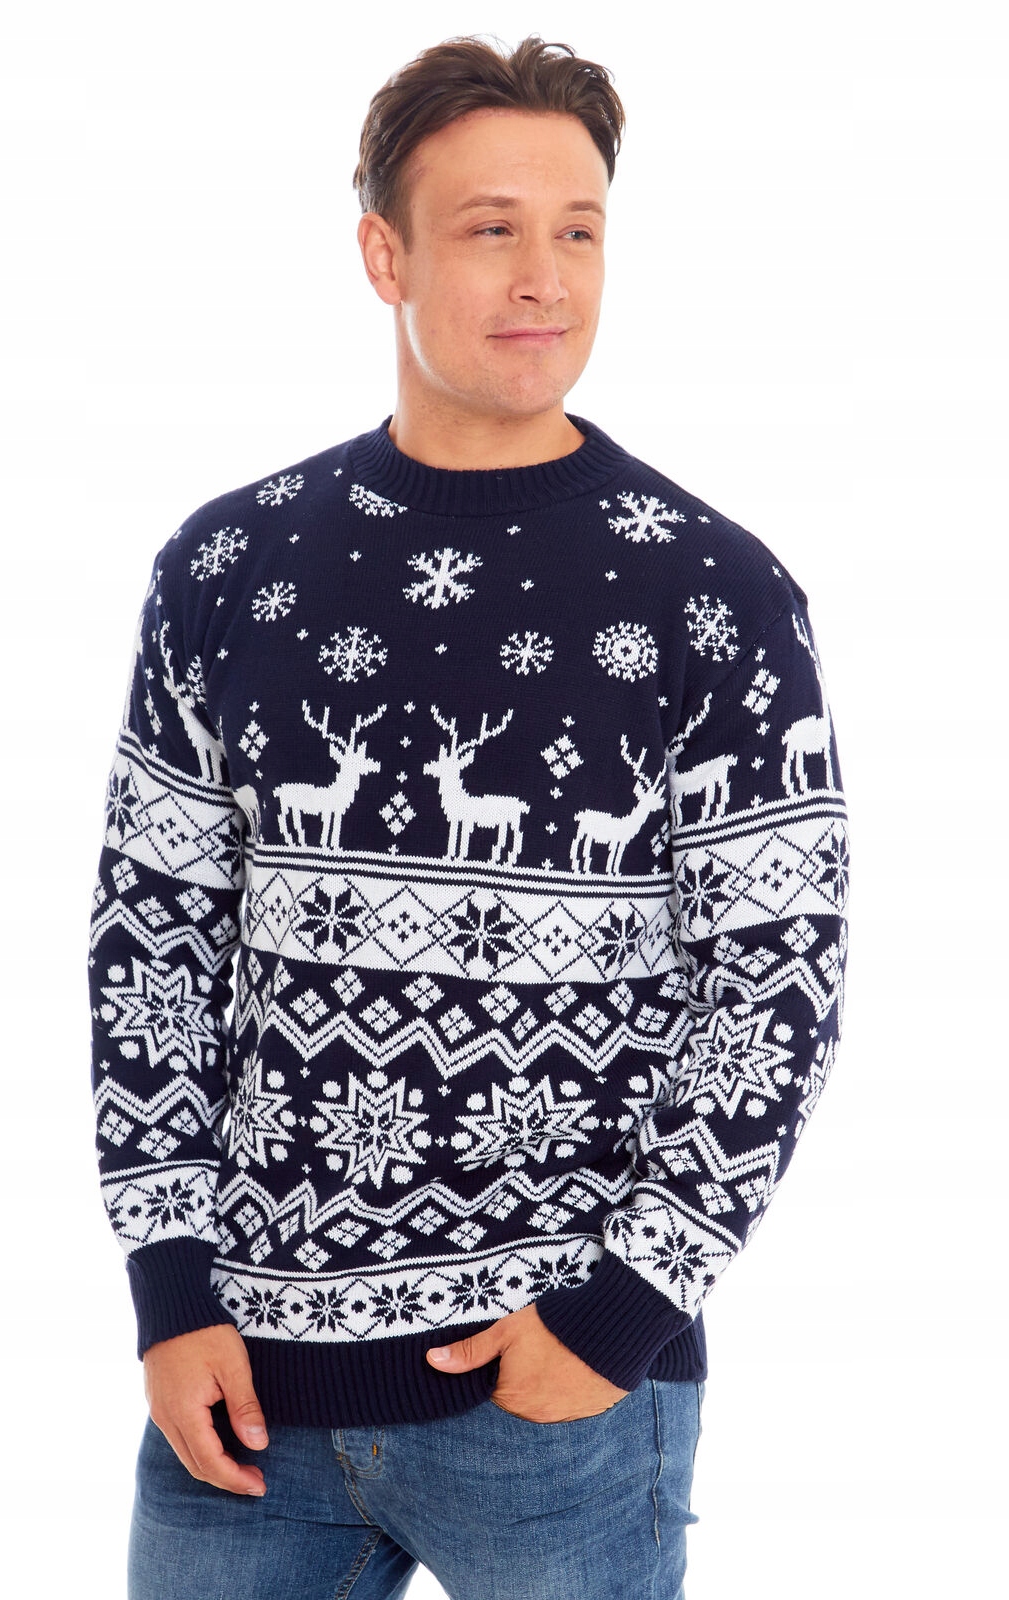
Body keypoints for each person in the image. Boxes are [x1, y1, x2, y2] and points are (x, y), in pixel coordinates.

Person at [89, 33, 849, 1600]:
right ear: (386, 255)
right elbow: (152, 949)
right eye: (492, 228)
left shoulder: (710, 590)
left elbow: (779, 984)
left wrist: (619, 1313)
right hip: (245, 1399)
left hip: (558, 1405)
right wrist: (169, 1285)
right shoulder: (232, 566)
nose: (543, 278)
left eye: (579, 230)